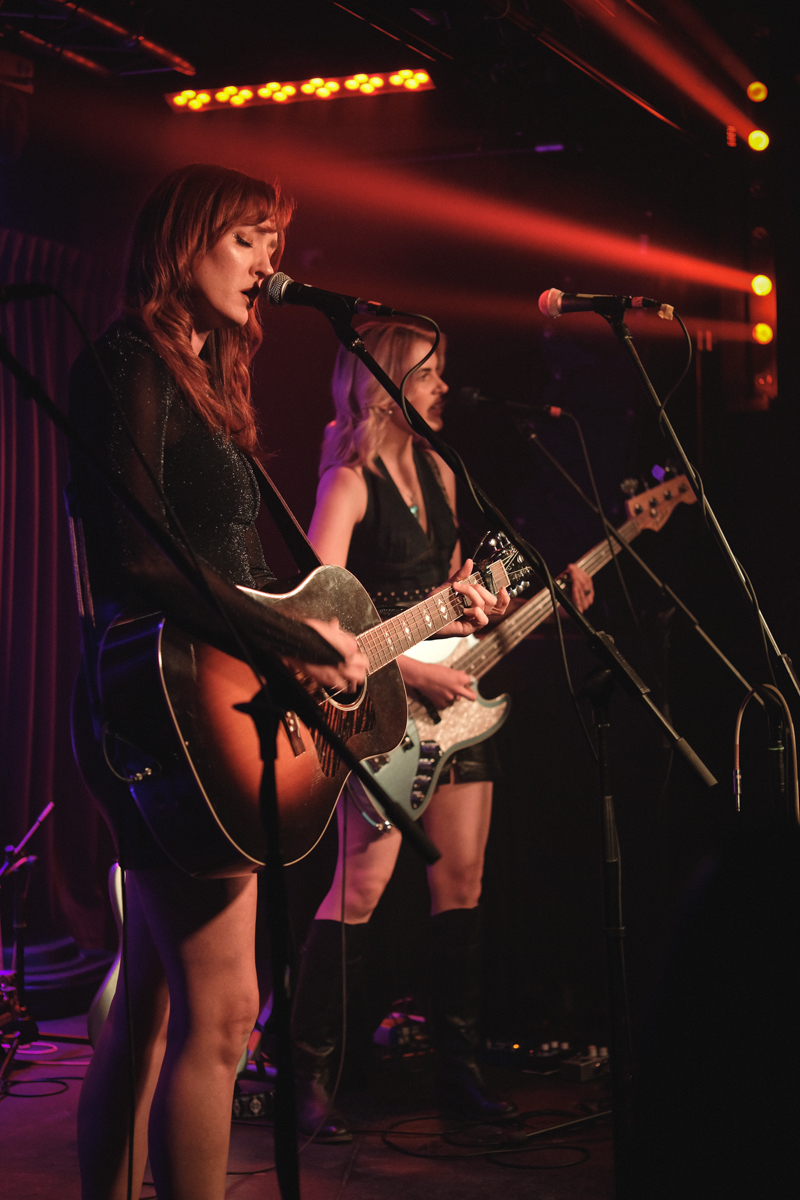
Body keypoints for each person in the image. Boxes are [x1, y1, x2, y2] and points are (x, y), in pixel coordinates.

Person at [67, 166, 499, 1200]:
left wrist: (347, 629)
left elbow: (238, 564)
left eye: (274, 240)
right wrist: (284, 636)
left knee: (152, 1011)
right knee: (222, 1017)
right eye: (249, 237)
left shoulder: (200, 374)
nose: (270, 261)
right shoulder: (127, 360)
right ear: (184, 240)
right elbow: (136, 560)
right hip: (164, 708)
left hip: (190, 699)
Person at [293, 321, 594, 1141]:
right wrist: (412, 673)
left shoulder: (441, 471)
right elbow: (318, 619)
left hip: (458, 711)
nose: (442, 387)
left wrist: (519, 603)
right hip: (384, 709)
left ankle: (459, 1074)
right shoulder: (347, 481)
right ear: (385, 380)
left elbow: (459, 593)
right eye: (427, 372)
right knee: (360, 888)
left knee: (462, 885)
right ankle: (307, 1075)